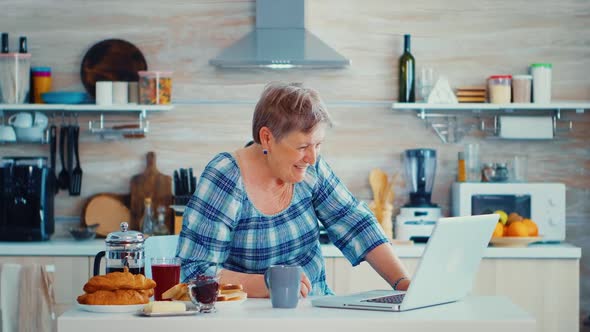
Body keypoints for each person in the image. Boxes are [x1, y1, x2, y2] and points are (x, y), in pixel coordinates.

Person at [177, 82, 410, 297]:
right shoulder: (226, 176)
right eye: (302, 146)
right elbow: (196, 273)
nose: (312, 157)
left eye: (318, 144)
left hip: (315, 309)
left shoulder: (312, 168)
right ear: (267, 138)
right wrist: (269, 283)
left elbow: (356, 224)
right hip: (249, 316)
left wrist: (404, 283)